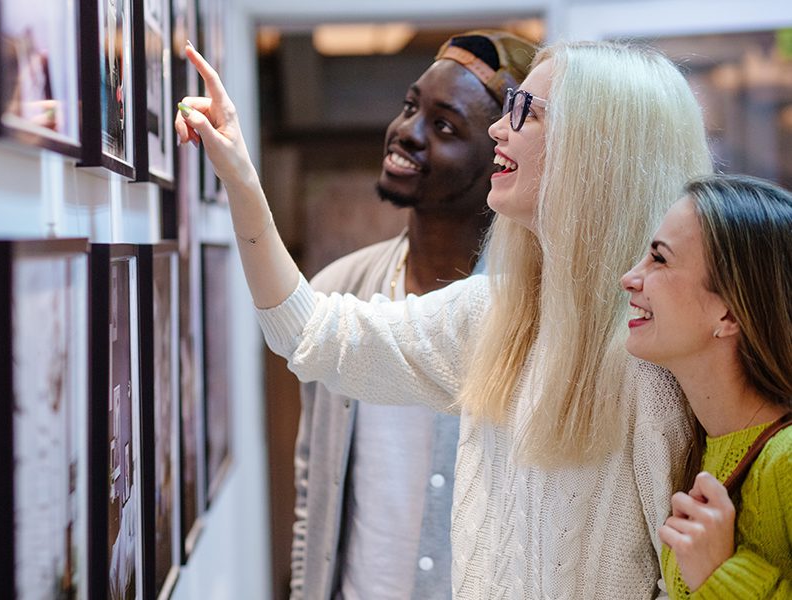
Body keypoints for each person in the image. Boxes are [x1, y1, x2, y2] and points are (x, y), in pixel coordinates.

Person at [175, 40, 713, 597]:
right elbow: (308, 334)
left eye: (526, 112)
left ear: (597, 150)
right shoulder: (494, 316)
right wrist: (239, 175)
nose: (500, 130)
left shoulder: (659, 365)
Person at [291, 31, 535, 600]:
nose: (406, 132)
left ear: (500, 155)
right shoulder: (338, 293)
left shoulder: (532, 313)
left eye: (445, 125)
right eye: (410, 106)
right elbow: (315, 485)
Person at [621, 174, 792, 598]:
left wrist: (722, 575)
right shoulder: (698, 441)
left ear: (730, 315)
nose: (630, 277)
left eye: (659, 260)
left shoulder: (786, 462)